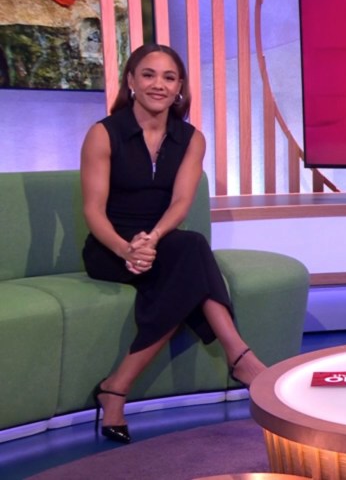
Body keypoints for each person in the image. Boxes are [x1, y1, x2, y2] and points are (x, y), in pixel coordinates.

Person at [80, 44, 267, 444]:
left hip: (159, 239)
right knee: (191, 261)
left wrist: (152, 239)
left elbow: (182, 202)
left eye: (168, 77)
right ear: (130, 81)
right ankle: (241, 358)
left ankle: (116, 388)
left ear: (180, 86)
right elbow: (93, 211)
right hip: (109, 246)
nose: (158, 85)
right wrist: (125, 248)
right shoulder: (103, 134)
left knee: (189, 248)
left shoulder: (191, 138)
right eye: (148, 75)